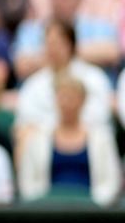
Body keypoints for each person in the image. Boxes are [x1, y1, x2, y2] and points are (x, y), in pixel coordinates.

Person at [16, 75, 120, 204]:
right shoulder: (37, 138)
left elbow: (110, 182)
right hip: (46, 213)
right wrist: (41, 204)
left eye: (72, 97)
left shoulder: (102, 138)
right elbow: (28, 182)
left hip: (92, 215)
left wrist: (95, 204)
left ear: (83, 100)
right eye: (62, 97)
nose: (67, 103)